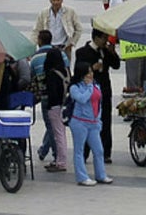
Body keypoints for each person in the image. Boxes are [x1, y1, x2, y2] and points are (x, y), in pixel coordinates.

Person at [75, 30, 120, 164]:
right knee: (88, 121)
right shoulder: (82, 52)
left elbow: (116, 65)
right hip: (90, 92)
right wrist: (92, 68)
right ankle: (85, 152)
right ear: (96, 38)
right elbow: (78, 71)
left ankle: (106, 152)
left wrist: (112, 52)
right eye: (104, 38)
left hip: (104, 90)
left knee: (105, 121)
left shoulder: (105, 50)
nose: (106, 41)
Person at [67, 62, 113, 186]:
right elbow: (82, 99)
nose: (90, 75)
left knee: (98, 150)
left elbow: (99, 102)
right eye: (88, 73)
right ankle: (82, 177)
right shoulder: (75, 87)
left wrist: (98, 119)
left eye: (91, 72)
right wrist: (89, 87)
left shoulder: (96, 84)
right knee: (79, 150)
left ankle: (101, 174)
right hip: (79, 122)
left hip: (94, 123)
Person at [34, 0, 83, 64]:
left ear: (62, 0)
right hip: (48, 47)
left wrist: (72, 43)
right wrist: (35, 46)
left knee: (65, 69)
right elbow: (36, 30)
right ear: (50, 0)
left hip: (64, 47)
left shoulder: (70, 11)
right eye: (53, 0)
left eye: (58, 0)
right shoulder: (44, 13)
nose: (56, 2)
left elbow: (79, 29)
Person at [42, 47, 70, 172]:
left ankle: (61, 162)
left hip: (55, 107)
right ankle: (60, 159)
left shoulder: (52, 74)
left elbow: (52, 93)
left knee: (58, 135)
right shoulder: (65, 71)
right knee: (61, 133)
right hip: (64, 105)